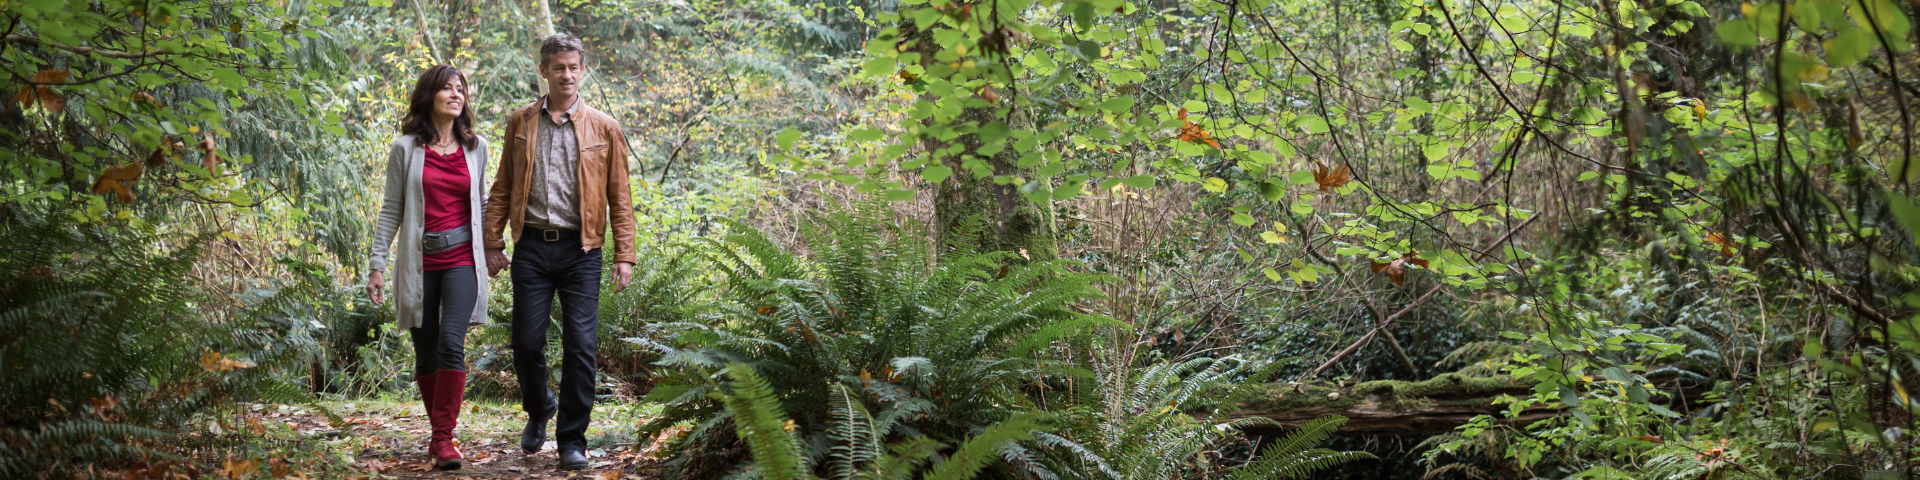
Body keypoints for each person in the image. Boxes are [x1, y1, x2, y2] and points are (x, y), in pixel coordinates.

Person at [482, 33, 637, 471]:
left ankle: (572, 439)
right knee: (526, 342)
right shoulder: (521, 122)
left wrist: (625, 253)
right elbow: (502, 187)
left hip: (581, 251)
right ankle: (540, 407)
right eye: (558, 67)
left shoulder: (605, 127)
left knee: (581, 346)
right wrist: (493, 241)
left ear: (582, 70)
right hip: (531, 245)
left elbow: (620, 197)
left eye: (573, 67)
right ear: (544, 71)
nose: (566, 75)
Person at [367, 65, 492, 471]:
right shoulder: (405, 148)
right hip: (418, 264)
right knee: (425, 352)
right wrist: (377, 265)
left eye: (461, 89)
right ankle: (440, 433)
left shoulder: (477, 148)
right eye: (446, 89)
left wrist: (495, 248)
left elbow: (484, 205)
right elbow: (391, 210)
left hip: (462, 260)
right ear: (429, 96)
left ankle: (443, 439)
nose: (456, 95)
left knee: (450, 343)